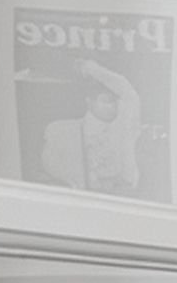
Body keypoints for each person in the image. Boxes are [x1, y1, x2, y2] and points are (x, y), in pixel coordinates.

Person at [38, 57, 144, 196]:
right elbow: (48, 164)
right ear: (89, 102)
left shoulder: (125, 126)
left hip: (125, 197)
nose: (114, 107)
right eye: (106, 101)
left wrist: (92, 69)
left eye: (116, 102)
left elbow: (127, 92)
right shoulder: (64, 130)